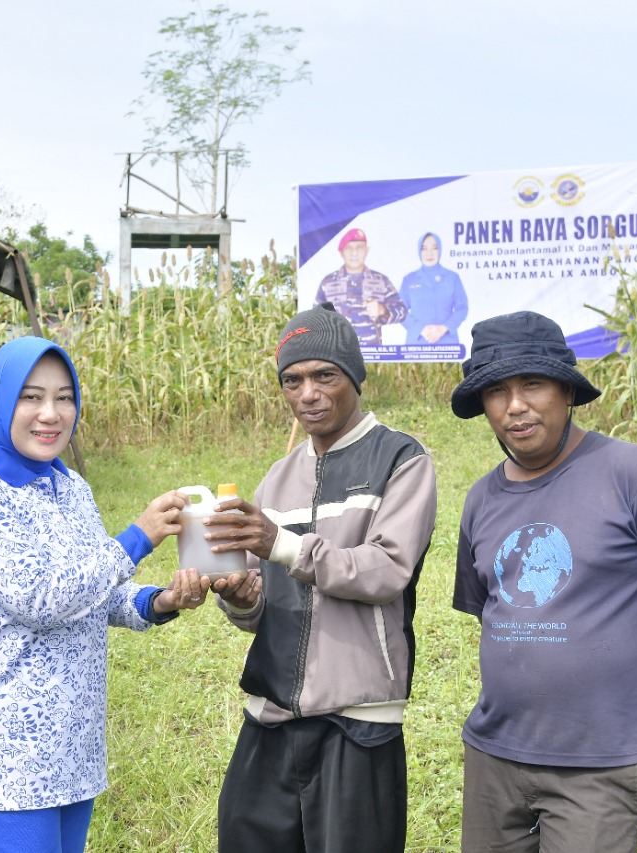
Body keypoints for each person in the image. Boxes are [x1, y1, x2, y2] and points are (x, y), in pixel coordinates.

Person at [449, 311, 637, 853]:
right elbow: (495, 616)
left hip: (597, 765)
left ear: (565, 392)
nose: (515, 405)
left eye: (531, 383)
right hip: (494, 756)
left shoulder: (636, 476)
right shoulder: (482, 499)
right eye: (496, 391)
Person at [0, 335, 209, 853]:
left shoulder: (71, 487)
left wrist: (159, 602)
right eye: (31, 396)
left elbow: (97, 591)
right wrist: (138, 537)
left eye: (65, 397)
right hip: (9, 750)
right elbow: (42, 600)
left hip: (71, 743)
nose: (51, 413)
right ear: (0, 402)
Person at [200, 301, 438, 852]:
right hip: (270, 714)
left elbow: (386, 569)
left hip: (357, 718)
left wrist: (280, 543)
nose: (307, 394)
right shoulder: (280, 476)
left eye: (324, 375)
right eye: (292, 380)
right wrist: (239, 594)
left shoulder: (401, 459)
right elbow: (255, 607)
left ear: (354, 375)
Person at [315, 227, 407, 347]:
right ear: (341, 252)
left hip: (372, 355)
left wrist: (382, 310)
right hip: (338, 354)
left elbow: (402, 312)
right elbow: (315, 318)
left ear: (366, 250)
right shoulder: (327, 283)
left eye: (359, 247)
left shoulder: (381, 281)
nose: (354, 253)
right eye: (349, 248)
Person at [399, 232, 468, 346]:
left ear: (439, 250)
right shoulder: (409, 280)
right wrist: (421, 330)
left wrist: (443, 328)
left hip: (447, 344)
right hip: (417, 343)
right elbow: (400, 312)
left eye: (434, 248)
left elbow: (462, 308)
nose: (429, 253)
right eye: (424, 249)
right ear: (419, 251)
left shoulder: (452, 278)